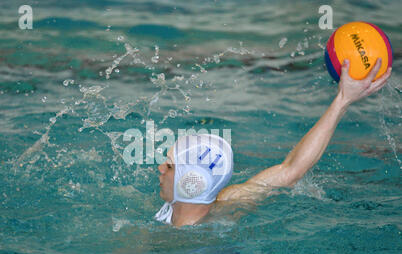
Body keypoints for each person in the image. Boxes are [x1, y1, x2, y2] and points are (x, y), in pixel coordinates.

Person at [155, 59, 392, 227]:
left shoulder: (221, 216)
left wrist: (344, 99)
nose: (160, 168)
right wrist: (342, 100)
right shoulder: (229, 199)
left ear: (192, 182)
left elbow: (293, 170)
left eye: (170, 165)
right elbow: (291, 170)